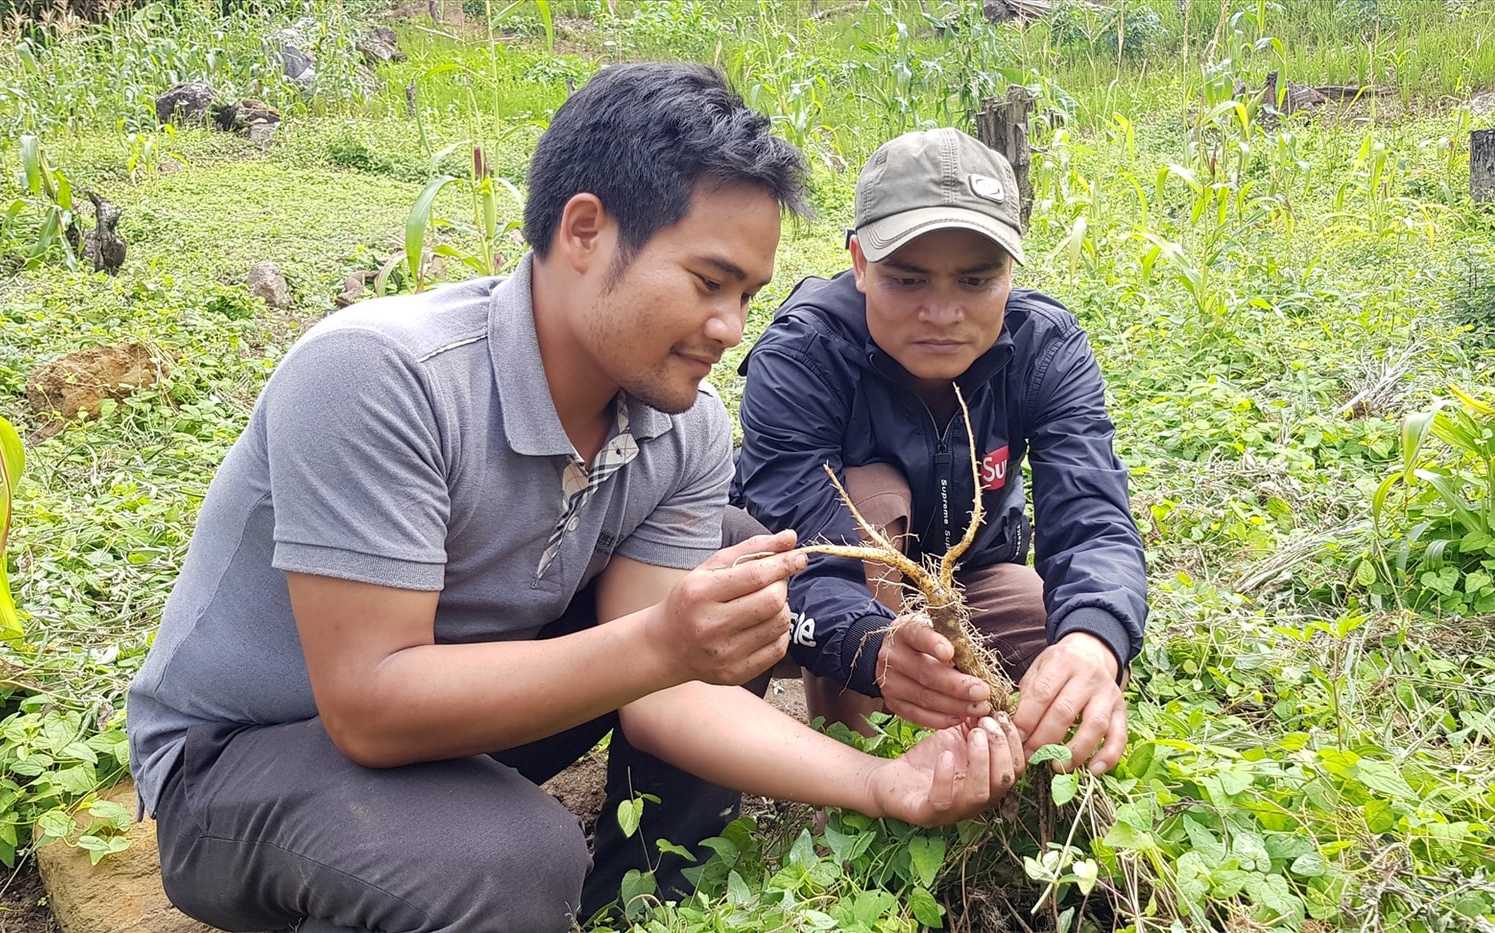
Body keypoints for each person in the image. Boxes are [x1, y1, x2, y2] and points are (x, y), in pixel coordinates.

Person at [124, 64, 1024, 933]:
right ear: (585, 230)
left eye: (747, 294)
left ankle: (647, 893)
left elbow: (665, 692)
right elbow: (369, 704)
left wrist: (884, 781)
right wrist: (665, 641)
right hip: (245, 760)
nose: (731, 328)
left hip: (467, 714)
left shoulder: (685, 424)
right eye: (709, 282)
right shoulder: (379, 377)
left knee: (734, 560)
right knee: (507, 859)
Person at [732, 127, 1148, 778]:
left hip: (971, 581)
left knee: (1061, 642)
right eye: (908, 279)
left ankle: (1008, 772)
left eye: (976, 280)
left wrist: (1095, 640)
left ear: (1010, 271)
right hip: (816, 596)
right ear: (860, 262)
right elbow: (801, 548)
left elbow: (1094, 516)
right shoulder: (804, 354)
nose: (943, 311)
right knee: (871, 497)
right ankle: (860, 767)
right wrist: (875, 650)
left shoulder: (1045, 348)